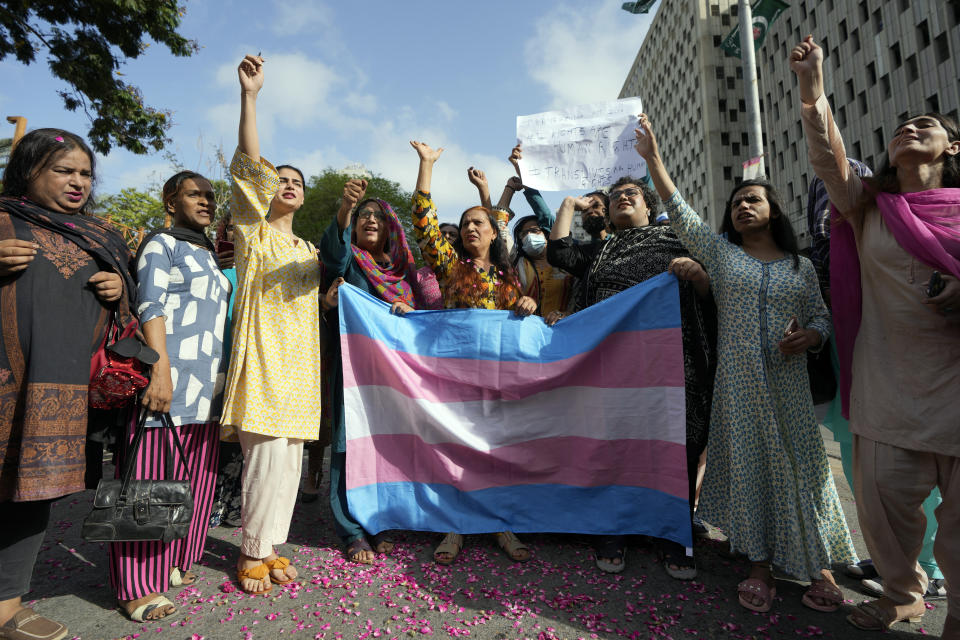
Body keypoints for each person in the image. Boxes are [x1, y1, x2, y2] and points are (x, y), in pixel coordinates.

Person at [634, 112, 857, 612]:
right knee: (753, 468)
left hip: (788, 386)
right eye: (735, 203)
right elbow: (681, 211)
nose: (741, 207)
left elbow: (822, 319)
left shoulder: (800, 267)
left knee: (805, 471)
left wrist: (810, 337)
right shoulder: (720, 254)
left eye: (752, 199)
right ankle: (759, 565)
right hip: (736, 385)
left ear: (773, 210)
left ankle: (819, 567)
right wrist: (654, 160)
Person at [792, 36, 960, 636]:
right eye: (900, 127)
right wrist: (814, 93)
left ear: (952, 147)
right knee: (885, 511)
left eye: (925, 125)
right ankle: (900, 594)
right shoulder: (869, 209)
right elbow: (831, 163)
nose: (908, 129)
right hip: (887, 389)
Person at [546, 174, 716, 579]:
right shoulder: (601, 250)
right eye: (617, 195)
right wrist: (569, 204)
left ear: (648, 206)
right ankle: (614, 527)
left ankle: (674, 533)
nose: (623, 198)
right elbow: (558, 254)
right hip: (614, 363)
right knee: (615, 441)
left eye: (632, 194)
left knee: (677, 444)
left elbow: (717, 285)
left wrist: (698, 274)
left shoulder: (679, 240)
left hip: (672, 360)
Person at [0, 128, 132, 640]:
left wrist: (119, 288)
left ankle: (8, 608)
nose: (78, 182)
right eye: (64, 170)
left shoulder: (98, 235)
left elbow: (129, 310)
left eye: (85, 173)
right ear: (28, 169)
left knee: (29, 497)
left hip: (59, 393)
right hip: (8, 381)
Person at [807, 163, 948, 602]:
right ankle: (894, 562)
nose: (833, 203)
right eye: (823, 194)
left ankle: (932, 567)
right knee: (865, 467)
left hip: (908, 361)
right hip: (850, 364)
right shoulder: (816, 257)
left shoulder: (888, 228)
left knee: (923, 461)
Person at [110, 170, 231, 622]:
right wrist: (159, 369)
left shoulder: (207, 252)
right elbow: (150, 304)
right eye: (194, 194)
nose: (205, 201)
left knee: (193, 476)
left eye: (210, 196)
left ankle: (174, 559)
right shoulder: (162, 243)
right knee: (150, 479)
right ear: (170, 199)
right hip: (169, 379)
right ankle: (137, 585)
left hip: (207, 386)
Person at [223, 54, 323, 594]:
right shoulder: (253, 234)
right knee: (263, 461)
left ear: (304, 196)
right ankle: (251, 551)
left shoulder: (308, 247)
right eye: (279, 178)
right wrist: (251, 97)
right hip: (262, 357)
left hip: (302, 367)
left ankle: (271, 546)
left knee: (289, 463)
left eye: (295, 181)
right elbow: (247, 162)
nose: (287, 184)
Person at [409, 139, 536, 565]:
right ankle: (454, 526)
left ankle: (502, 524)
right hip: (456, 374)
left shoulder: (508, 275)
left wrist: (528, 304)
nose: (470, 228)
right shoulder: (450, 266)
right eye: (464, 223)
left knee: (497, 450)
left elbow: (521, 313)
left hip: (500, 375)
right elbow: (425, 224)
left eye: (478, 222)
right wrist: (426, 166)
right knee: (457, 450)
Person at [319, 178, 420, 563]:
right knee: (348, 447)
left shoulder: (403, 275)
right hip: (353, 374)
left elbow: (419, 327)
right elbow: (332, 251)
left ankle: (380, 522)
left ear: (391, 228)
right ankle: (352, 530)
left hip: (393, 378)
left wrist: (408, 316)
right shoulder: (348, 262)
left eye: (377, 216)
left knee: (385, 447)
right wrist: (345, 208)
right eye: (363, 216)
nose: (369, 220)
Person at [209, 213, 244, 528]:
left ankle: (233, 501)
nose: (238, 232)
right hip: (215, 361)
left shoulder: (260, 266)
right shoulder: (209, 262)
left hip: (246, 362)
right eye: (233, 226)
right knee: (213, 435)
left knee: (238, 438)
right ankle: (213, 500)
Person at [511, 215, 574, 321]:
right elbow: (498, 223)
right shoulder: (517, 263)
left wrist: (567, 314)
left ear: (547, 234)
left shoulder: (568, 263)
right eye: (524, 233)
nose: (529, 236)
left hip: (565, 329)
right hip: (527, 329)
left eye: (535, 231)